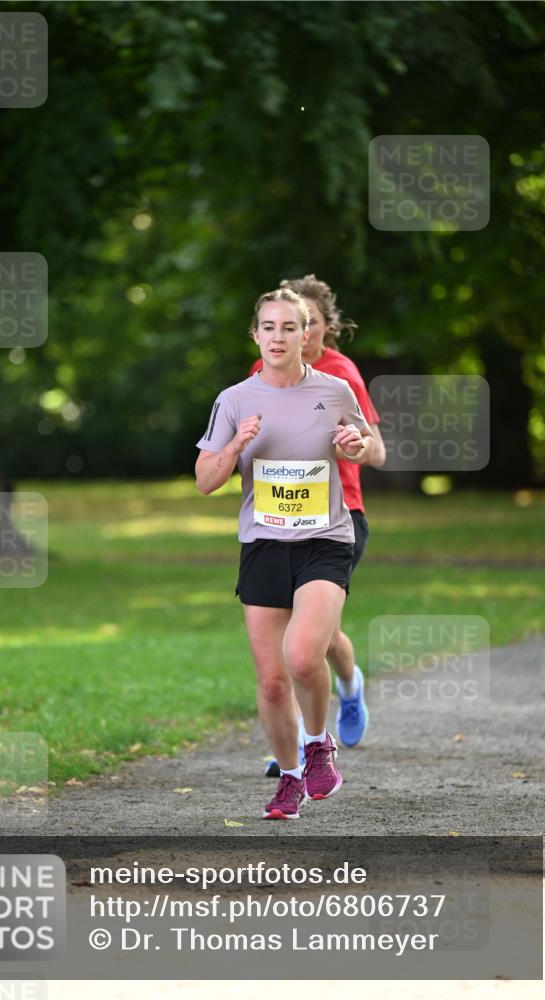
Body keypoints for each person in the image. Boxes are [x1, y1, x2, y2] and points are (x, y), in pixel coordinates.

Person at [195, 288, 378, 820]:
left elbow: (364, 444)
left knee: (302, 656)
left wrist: (353, 445)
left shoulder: (336, 389)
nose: (278, 336)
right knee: (272, 680)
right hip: (264, 544)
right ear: (256, 335)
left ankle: (318, 744)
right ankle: (290, 779)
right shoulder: (234, 400)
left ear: (307, 335)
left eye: (289, 327)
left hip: (325, 539)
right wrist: (234, 447)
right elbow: (205, 481)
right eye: (268, 327)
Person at [249, 276, 386, 776]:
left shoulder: (340, 373)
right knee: (288, 645)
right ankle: (291, 749)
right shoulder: (262, 372)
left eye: (305, 325)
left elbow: (376, 449)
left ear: (324, 327)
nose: (295, 335)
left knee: (314, 642)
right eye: (282, 325)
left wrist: (356, 444)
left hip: (339, 516)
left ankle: (349, 688)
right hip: (278, 522)